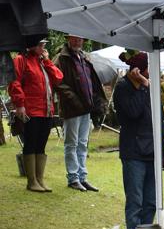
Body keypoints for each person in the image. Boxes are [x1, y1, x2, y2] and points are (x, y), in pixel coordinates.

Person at [112, 52, 164, 229]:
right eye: (148, 69)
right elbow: (133, 112)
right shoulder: (123, 87)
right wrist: (144, 87)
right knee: (135, 201)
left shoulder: (150, 86)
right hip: (134, 152)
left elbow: (159, 119)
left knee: (151, 201)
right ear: (138, 70)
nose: (152, 73)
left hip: (152, 151)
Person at [54, 33, 108, 192]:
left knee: (83, 143)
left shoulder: (84, 58)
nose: (78, 41)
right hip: (72, 108)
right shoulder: (61, 58)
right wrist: (74, 99)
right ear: (68, 39)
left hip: (86, 108)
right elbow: (57, 82)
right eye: (74, 38)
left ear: (83, 40)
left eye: (80, 38)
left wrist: (95, 100)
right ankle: (73, 178)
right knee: (71, 143)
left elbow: (91, 81)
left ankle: (82, 177)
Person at [9, 37, 63, 192]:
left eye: (44, 45)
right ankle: (31, 181)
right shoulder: (21, 60)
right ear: (31, 46)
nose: (43, 48)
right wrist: (20, 105)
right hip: (31, 110)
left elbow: (58, 78)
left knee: (41, 145)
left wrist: (47, 61)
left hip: (46, 110)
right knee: (31, 144)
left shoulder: (42, 62)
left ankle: (40, 179)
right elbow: (15, 82)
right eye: (40, 45)